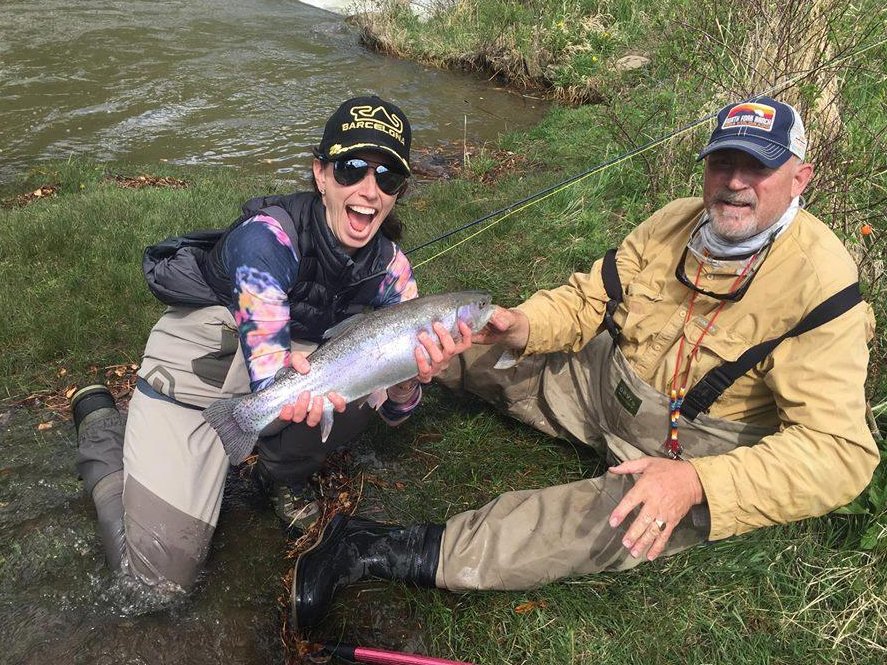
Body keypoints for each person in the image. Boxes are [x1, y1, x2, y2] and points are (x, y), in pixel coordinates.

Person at [290, 96, 880, 628]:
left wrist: (699, 482)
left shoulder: (823, 285)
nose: (733, 183)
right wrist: (521, 325)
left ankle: (381, 549)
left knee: (572, 525)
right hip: (603, 386)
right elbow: (588, 300)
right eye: (723, 163)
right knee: (456, 336)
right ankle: (313, 371)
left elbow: (839, 453)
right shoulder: (674, 220)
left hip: (691, 454)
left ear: (800, 178)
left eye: (757, 167)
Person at [70, 95, 470, 592]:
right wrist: (281, 396)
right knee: (156, 577)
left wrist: (407, 382)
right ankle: (104, 430)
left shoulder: (393, 272)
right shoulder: (267, 239)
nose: (369, 189)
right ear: (320, 174)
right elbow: (269, 378)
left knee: (358, 391)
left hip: (283, 377)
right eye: (351, 169)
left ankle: (279, 473)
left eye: (387, 177)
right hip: (202, 364)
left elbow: (396, 415)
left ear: (398, 192)